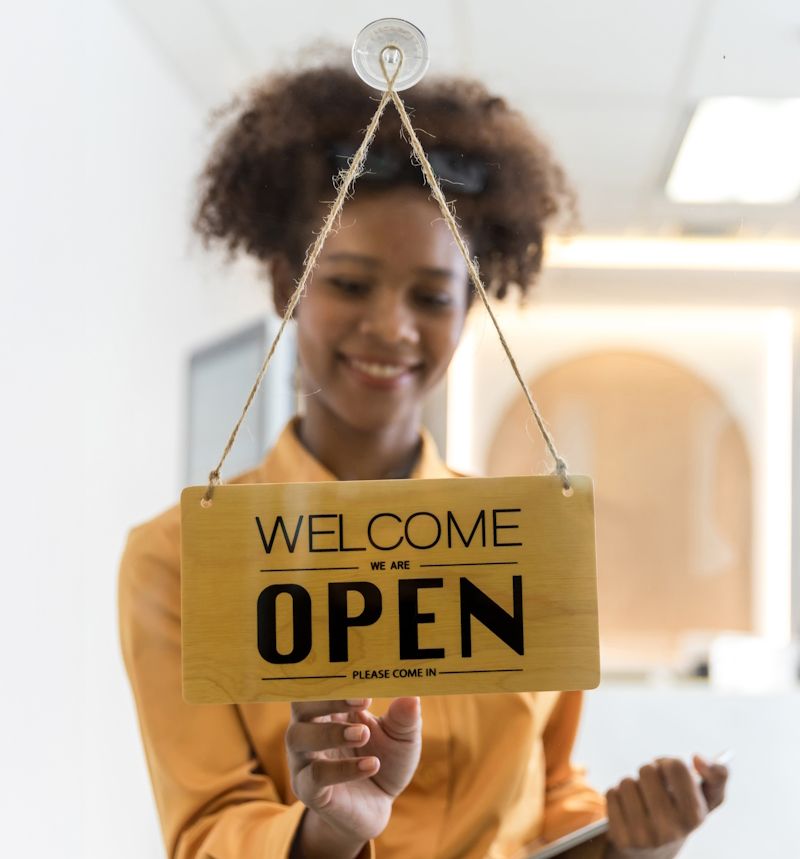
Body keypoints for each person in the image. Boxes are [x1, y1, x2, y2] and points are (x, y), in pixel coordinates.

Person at [119, 59, 728, 859]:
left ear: (470, 305)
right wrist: (328, 830)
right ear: (284, 284)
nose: (392, 327)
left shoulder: (528, 538)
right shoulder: (179, 558)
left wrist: (629, 844)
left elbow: (546, 793)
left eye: (431, 296)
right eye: (349, 282)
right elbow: (206, 829)